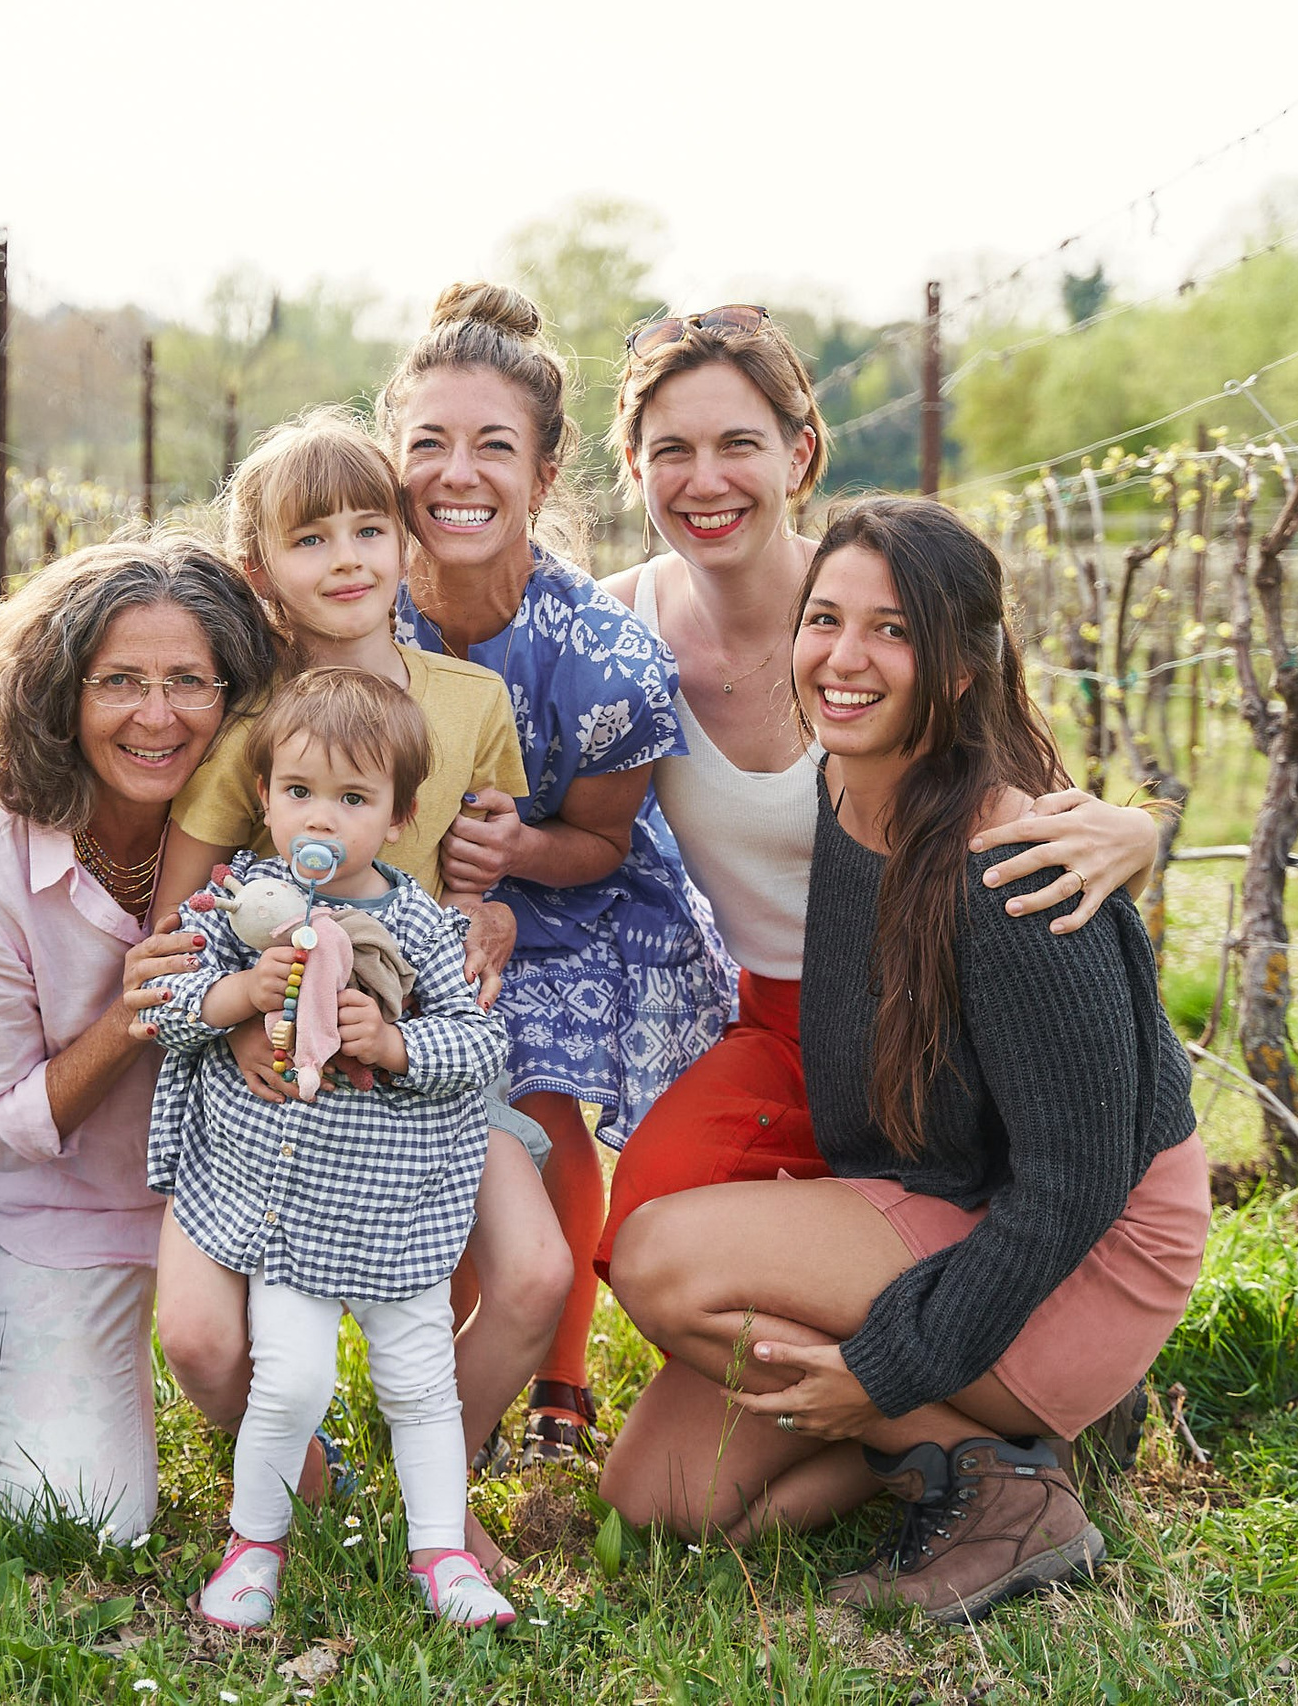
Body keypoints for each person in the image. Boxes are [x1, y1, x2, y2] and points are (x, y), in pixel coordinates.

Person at [601, 498, 1208, 1623]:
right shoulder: (843, 783)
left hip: (1089, 1244)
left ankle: (1012, 1471)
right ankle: (997, 1449)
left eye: (892, 631)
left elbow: (1074, 1183)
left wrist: (883, 1369)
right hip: (945, 1189)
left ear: (961, 669)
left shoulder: (1006, 867)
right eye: (823, 617)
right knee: (665, 1497)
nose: (844, 656)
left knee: (660, 1259)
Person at [594, 303, 1160, 1280]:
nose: (705, 478)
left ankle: (968, 1374)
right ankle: (827, 1393)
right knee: (653, 1200)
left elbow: (1021, 787)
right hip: (768, 1016)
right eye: (671, 448)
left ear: (799, 454)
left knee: (968, 1203)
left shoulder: (875, 603)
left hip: (926, 1010)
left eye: (739, 442)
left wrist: (1139, 833)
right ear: (636, 467)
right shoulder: (614, 628)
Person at [142, 408, 571, 1572]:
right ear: (258, 571)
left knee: (535, 1273)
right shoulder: (252, 732)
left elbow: (482, 880)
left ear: (404, 542)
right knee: (196, 1339)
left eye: (368, 528)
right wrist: (232, 1024)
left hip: (408, 1050)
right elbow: (185, 917)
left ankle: (437, 1464)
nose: (345, 559)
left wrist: (491, 912)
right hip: (270, 1072)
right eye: (310, 537)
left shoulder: (469, 705)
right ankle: (311, 1481)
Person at [382, 282, 733, 1465]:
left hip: (564, 900)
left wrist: (518, 852)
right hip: (389, 898)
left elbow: (602, 839)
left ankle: (558, 1382)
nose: (456, 472)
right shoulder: (353, 621)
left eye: (492, 445)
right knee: (409, 1105)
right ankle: (427, 1356)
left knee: (532, 1093)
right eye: (427, 443)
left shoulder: (603, 653)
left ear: (542, 474)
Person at [0, 533, 277, 1542]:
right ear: (59, 695)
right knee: (73, 1517)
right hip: (63, 1211)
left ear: (236, 694)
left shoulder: (274, 810)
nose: (155, 716)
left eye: (187, 682)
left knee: (291, 1460)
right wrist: (127, 1020)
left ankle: (281, 1419)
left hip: (239, 1196)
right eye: (118, 680)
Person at [144, 667, 516, 1630]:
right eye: (300, 793)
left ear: (398, 819)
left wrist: (392, 1044)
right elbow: (168, 1011)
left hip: (394, 1209)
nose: (322, 819)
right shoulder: (237, 914)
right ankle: (254, 1540)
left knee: (419, 1381)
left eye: (353, 800)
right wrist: (240, 997)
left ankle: (441, 1553)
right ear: (263, 799)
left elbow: (479, 1046)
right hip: (283, 1211)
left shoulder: (424, 928)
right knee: (293, 1377)